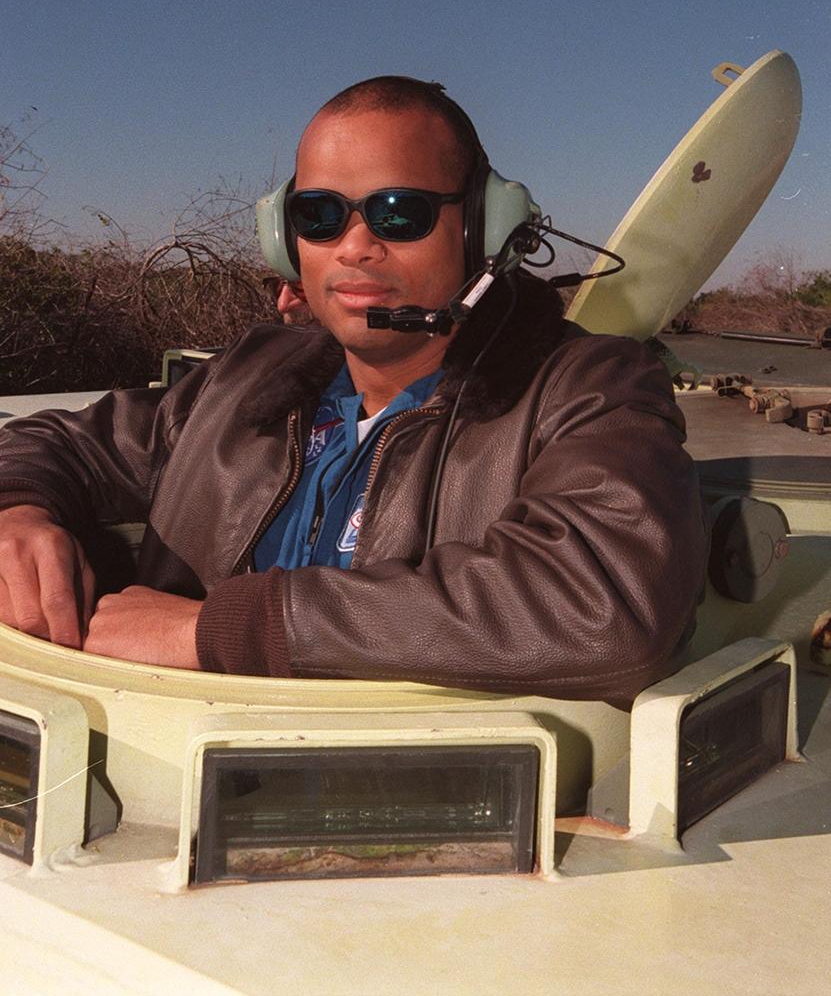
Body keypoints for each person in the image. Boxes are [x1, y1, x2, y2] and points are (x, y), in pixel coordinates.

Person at [0, 77, 708, 702]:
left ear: (483, 229)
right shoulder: (247, 378)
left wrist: (223, 631)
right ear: (286, 239)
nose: (354, 245)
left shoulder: (586, 389)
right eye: (320, 215)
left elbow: (601, 605)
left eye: (398, 212)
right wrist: (18, 512)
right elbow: (56, 442)